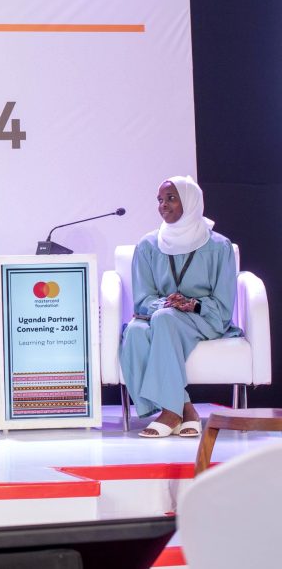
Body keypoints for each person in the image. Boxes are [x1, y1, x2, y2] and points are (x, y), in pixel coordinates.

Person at [120, 175, 241, 438]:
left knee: (165, 319)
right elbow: (142, 297)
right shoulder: (148, 245)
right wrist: (166, 303)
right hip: (159, 315)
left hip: (204, 318)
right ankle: (184, 408)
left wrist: (192, 304)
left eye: (171, 198)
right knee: (134, 333)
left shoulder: (219, 246)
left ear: (191, 202)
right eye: (160, 200)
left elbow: (223, 301)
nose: (163, 205)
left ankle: (171, 413)